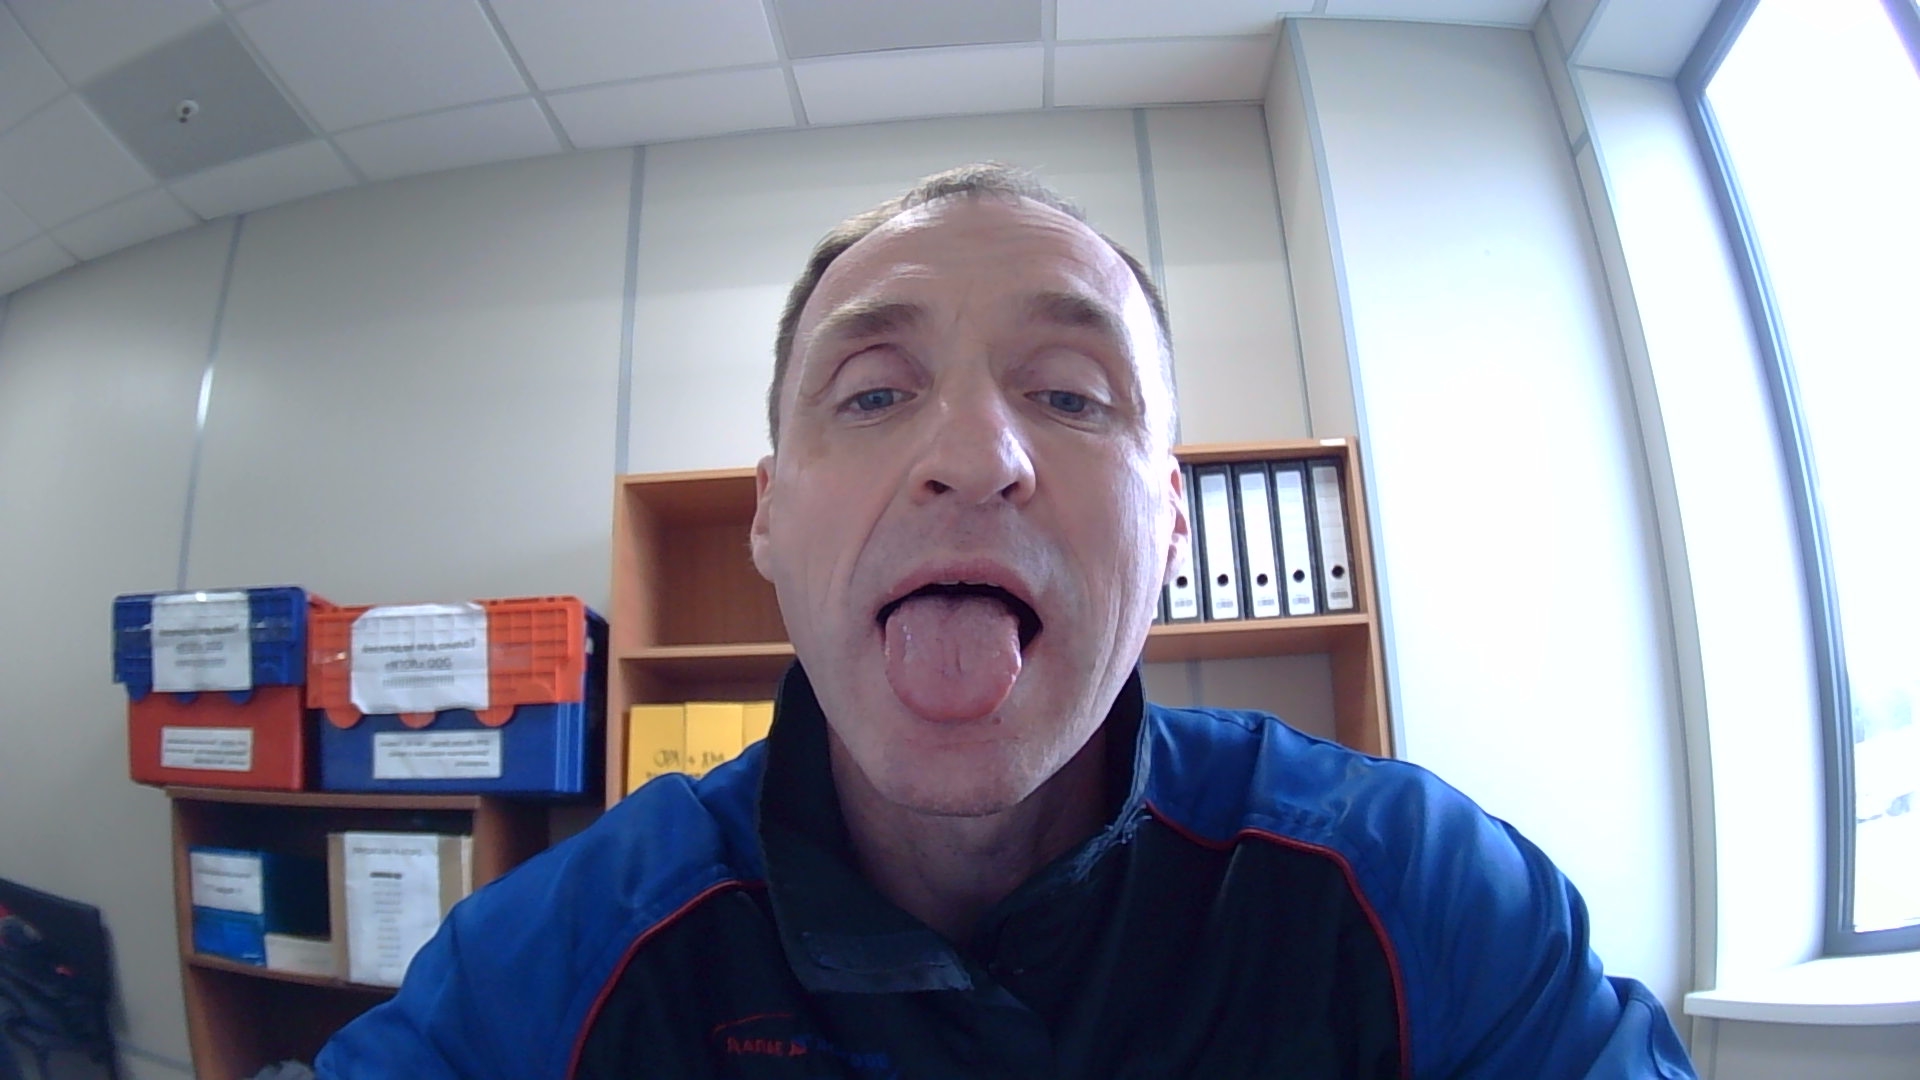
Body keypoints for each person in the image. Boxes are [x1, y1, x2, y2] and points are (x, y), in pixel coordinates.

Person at [316, 164, 1696, 1079]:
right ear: (768, 517)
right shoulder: (549, 966)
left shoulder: (1420, 898)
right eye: (872, 393)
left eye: (1072, 394)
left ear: (1171, 524)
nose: (975, 457)